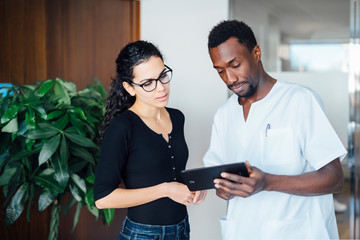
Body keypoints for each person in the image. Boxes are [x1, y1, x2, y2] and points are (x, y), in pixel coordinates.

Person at [203, 20, 347, 239]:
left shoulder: (300, 101)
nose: (230, 79)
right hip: (242, 231)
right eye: (220, 71)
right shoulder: (224, 114)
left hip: (297, 232)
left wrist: (268, 182)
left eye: (235, 65)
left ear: (256, 53)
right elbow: (220, 176)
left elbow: (334, 178)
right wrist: (223, 188)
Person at [94, 40, 206, 240]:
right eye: (148, 83)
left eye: (163, 76)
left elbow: (169, 170)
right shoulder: (122, 127)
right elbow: (103, 199)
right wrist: (165, 189)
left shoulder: (177, 117)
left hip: (181, 229)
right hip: (143, 235)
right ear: (129, 88)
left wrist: (195, 185)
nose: (161, 88)